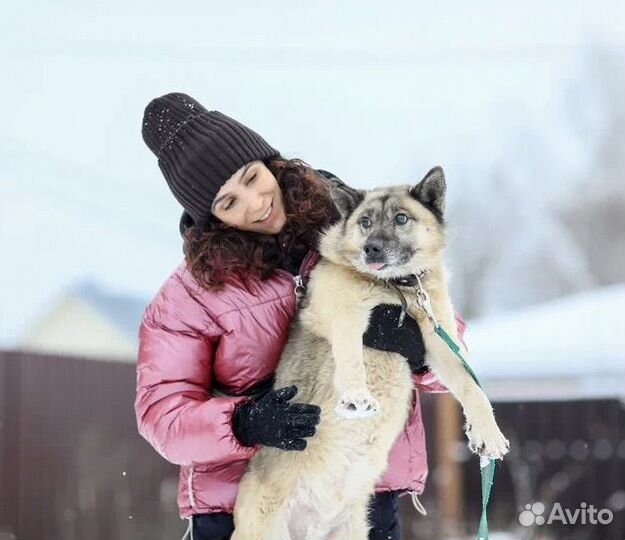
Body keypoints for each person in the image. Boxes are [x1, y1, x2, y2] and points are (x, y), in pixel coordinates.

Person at [135, 92, 466, 540]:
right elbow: (163, 416)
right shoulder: (190, 295)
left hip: (358, 497)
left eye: (252, 178)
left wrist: (421, 349)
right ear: (209, 218)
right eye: (228, 202)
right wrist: (243, 422)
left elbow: (453, 353)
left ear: (270, 163)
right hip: (248, 507)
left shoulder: (362, 233)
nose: (253, 203)